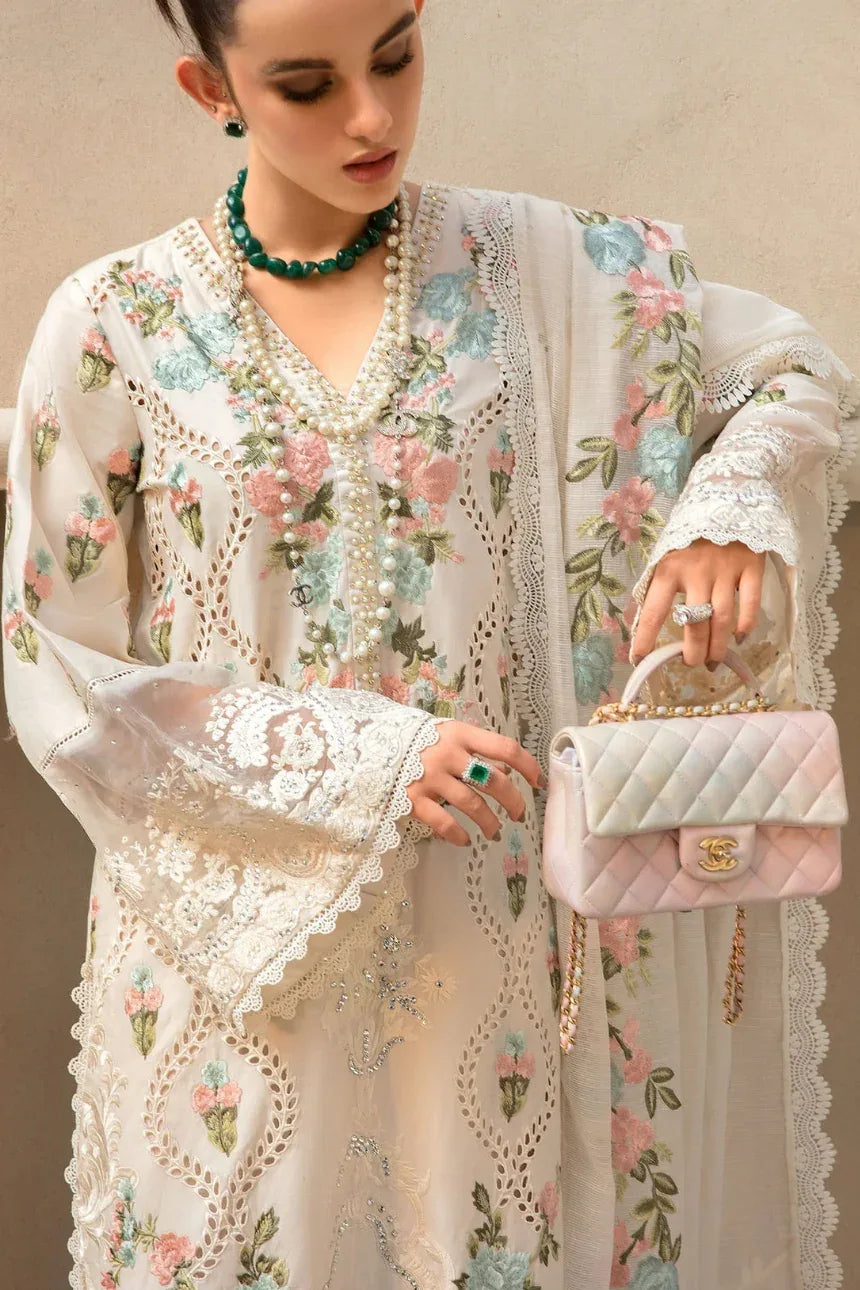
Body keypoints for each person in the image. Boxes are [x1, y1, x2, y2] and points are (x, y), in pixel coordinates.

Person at [2, 1, 858, 1287]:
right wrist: (357, 762)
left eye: (396, 55)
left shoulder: (546, 271)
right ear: (210, 87)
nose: (371, 115)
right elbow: (56, 663)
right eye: (306, 84)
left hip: (500, 945)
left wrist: (725, 517)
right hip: (250, 970)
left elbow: (789, 373)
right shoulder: (117, 323)